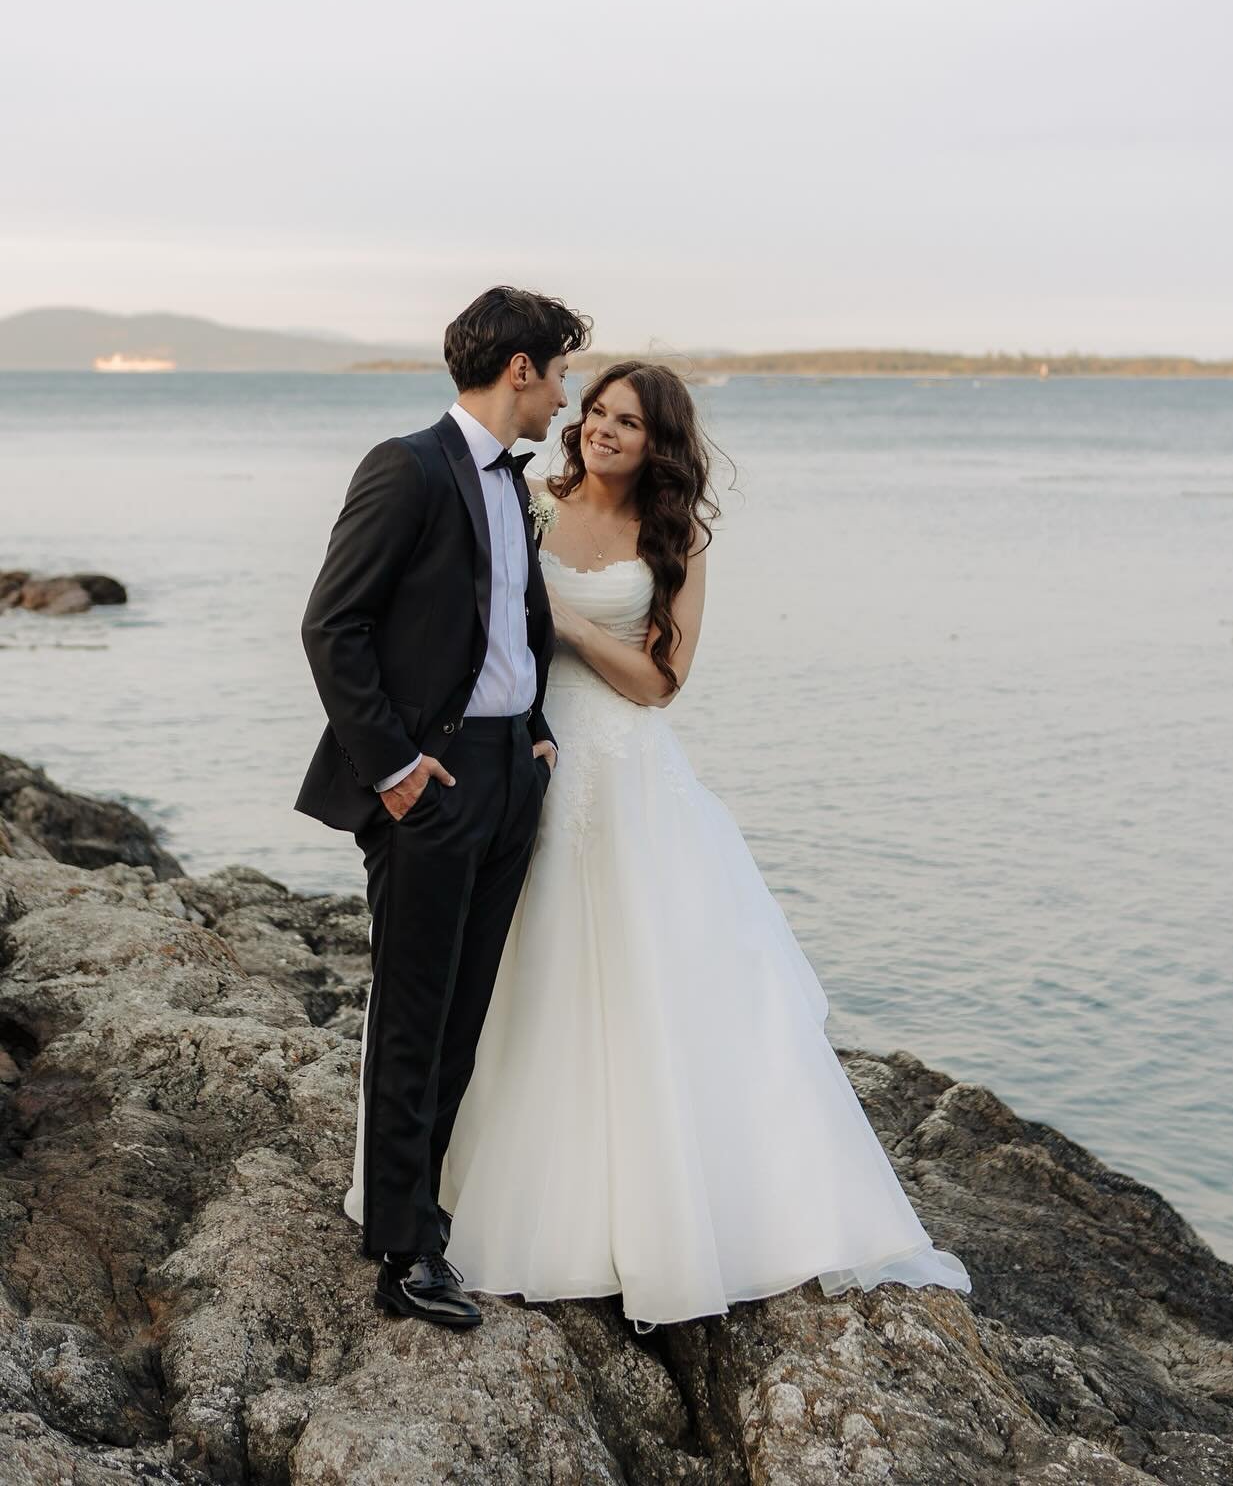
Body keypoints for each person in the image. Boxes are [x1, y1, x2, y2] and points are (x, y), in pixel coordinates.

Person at [346, 359, 971, 1329]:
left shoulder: (677, 538)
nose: (601, 427)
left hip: (620, 767)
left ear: (658, 443)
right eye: (596, 409)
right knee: (493, 984)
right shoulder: (530, 503)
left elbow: (660, 682)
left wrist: (564, 624)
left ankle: (629, 1213)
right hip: (519, 753)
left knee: (631, 978)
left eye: (627, 421)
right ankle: (440, 1187)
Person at [297, 285, 591, 1327]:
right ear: (520, 369)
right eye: (560, 374)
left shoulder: (513, 485)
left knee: (466, 1013)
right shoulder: (408, 467)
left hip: (510, 773)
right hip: (433, 780)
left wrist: (535, 729)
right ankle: (402, 1250)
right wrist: (395, 768)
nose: (565, 397)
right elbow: (333, 625)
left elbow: (510, 625)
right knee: (414, 1014)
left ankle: (429, 1209)